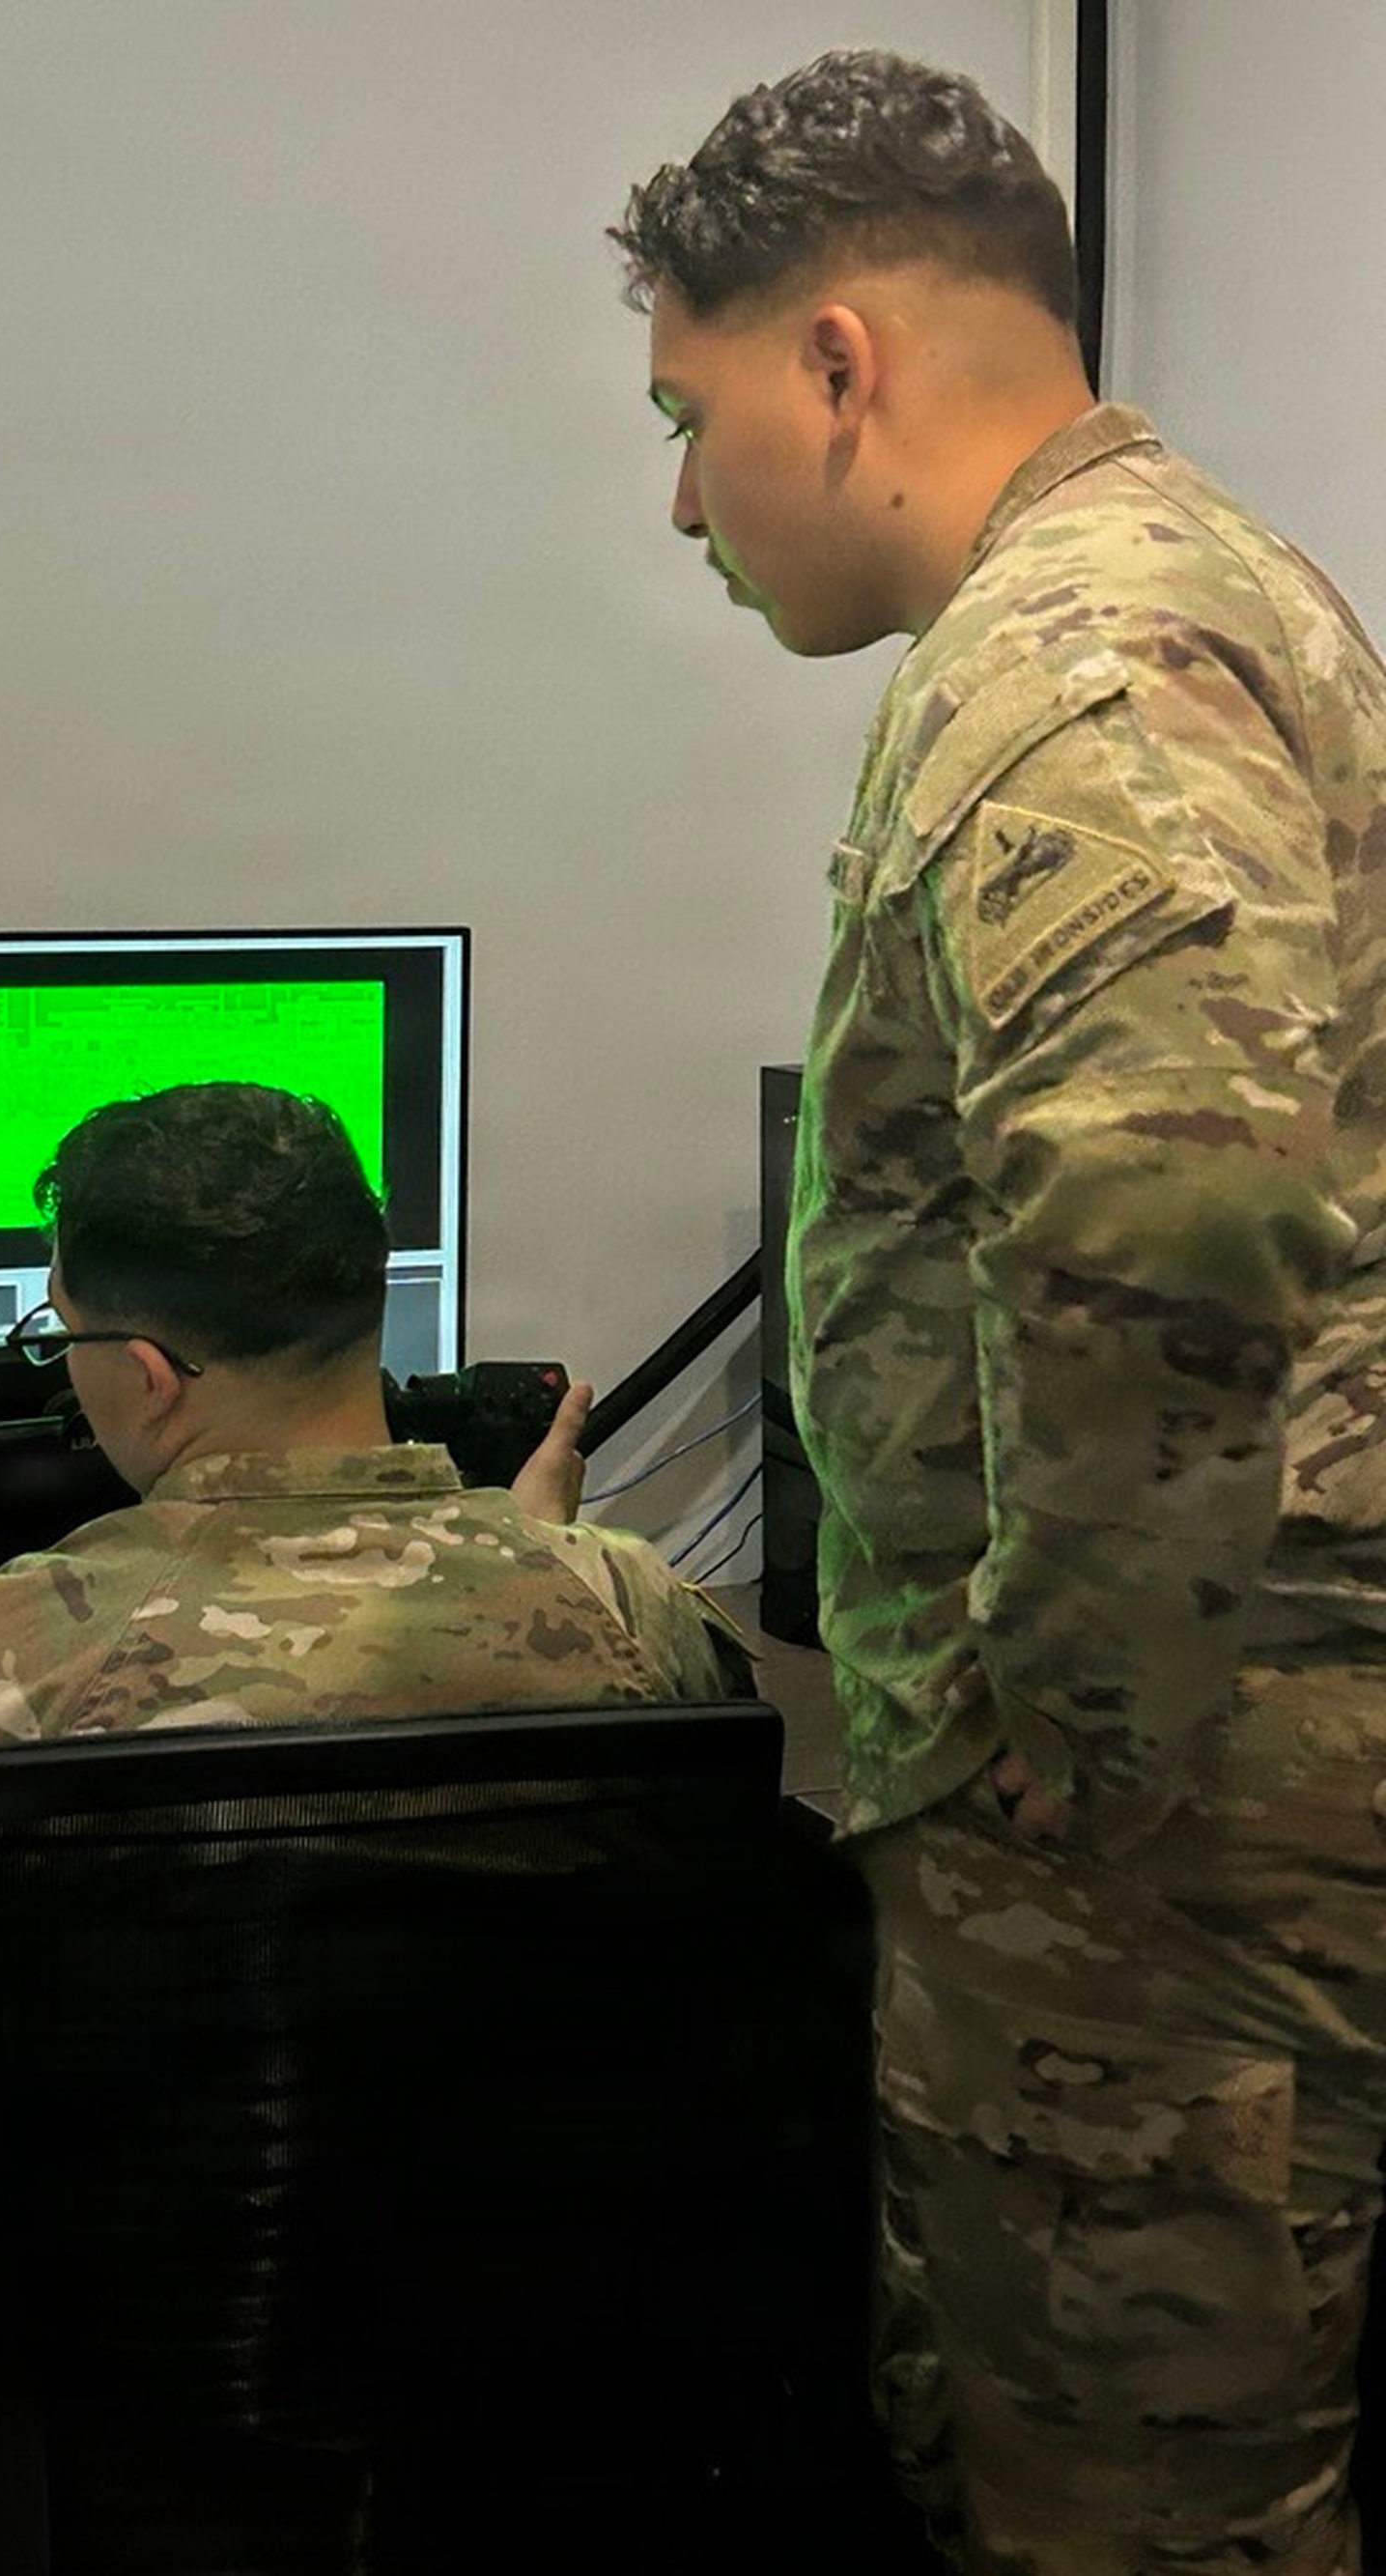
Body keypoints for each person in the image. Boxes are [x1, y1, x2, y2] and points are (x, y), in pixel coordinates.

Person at [613, 47, 1386, 2576]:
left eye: (692, 416)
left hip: (1158, 1849)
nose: (685, 503)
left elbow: (1181, 1217)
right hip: (1195, 1791)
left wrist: (1075, 1707)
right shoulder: (1151, 596)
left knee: (1138, 2520)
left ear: (837, 363)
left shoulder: (1077, 660)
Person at [0, 1078, 750, 2519]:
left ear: (151, 1374)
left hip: (112, 2411)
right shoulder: (626, 1605)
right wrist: (532, 1551)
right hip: (564, 2396)